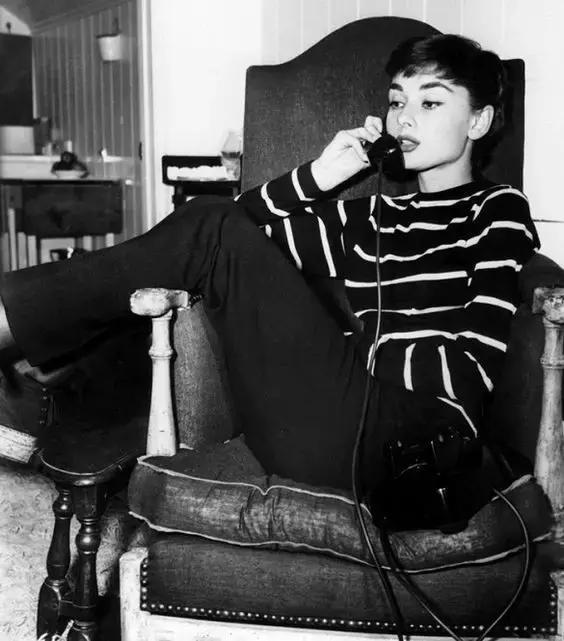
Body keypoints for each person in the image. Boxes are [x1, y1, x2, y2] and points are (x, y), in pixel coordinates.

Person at [0, 34, 539, 504]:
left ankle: (23, 355)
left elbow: (473, 371)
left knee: (210, 227)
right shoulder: (371, 217)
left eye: (430, 102)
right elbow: (223, 237)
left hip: (413, 444)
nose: (404, 118)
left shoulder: (498, 210)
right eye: (397, 101)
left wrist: (360, 353)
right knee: (208, 223)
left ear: (478, 120)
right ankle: (42, 381)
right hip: (318, 428)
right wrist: (322, 176)